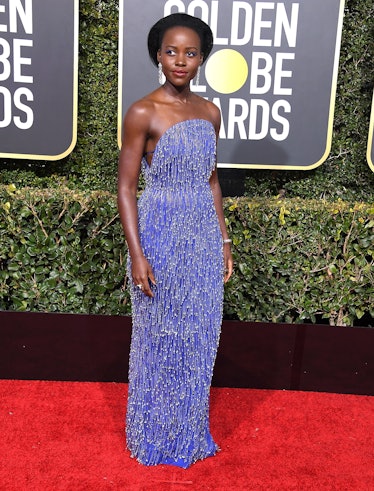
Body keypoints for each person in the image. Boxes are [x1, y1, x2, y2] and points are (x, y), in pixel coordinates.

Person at [117, 12, 233, 468]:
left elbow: (212, 181)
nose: (180, 60)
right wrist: (137, 255)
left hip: (202, 235)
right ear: (157, 55)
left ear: (202, 57)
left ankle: (186, 428)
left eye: (190, 52)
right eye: (170, 51)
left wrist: (223, 240)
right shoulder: (142, 111)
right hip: (160, 233)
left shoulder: (210, 112)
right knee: (159, 337)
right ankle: (152, 431)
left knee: (198, 336)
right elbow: (126, 188)